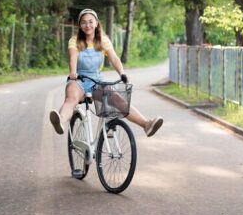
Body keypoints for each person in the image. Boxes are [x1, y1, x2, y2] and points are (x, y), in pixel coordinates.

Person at [49, 8, 163, 137]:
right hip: (78, 79)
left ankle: (146, 124)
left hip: (97, 80)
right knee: (71, 98)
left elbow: (114, 58)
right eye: (84, 22)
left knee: (120, 102)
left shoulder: (103, 40)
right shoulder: (74, 40)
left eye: (91, 22)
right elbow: (73, 57)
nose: (88, 25)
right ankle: (61, 120)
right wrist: (73, 72)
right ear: (80, 25)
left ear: (96, 23)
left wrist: (122, 73)